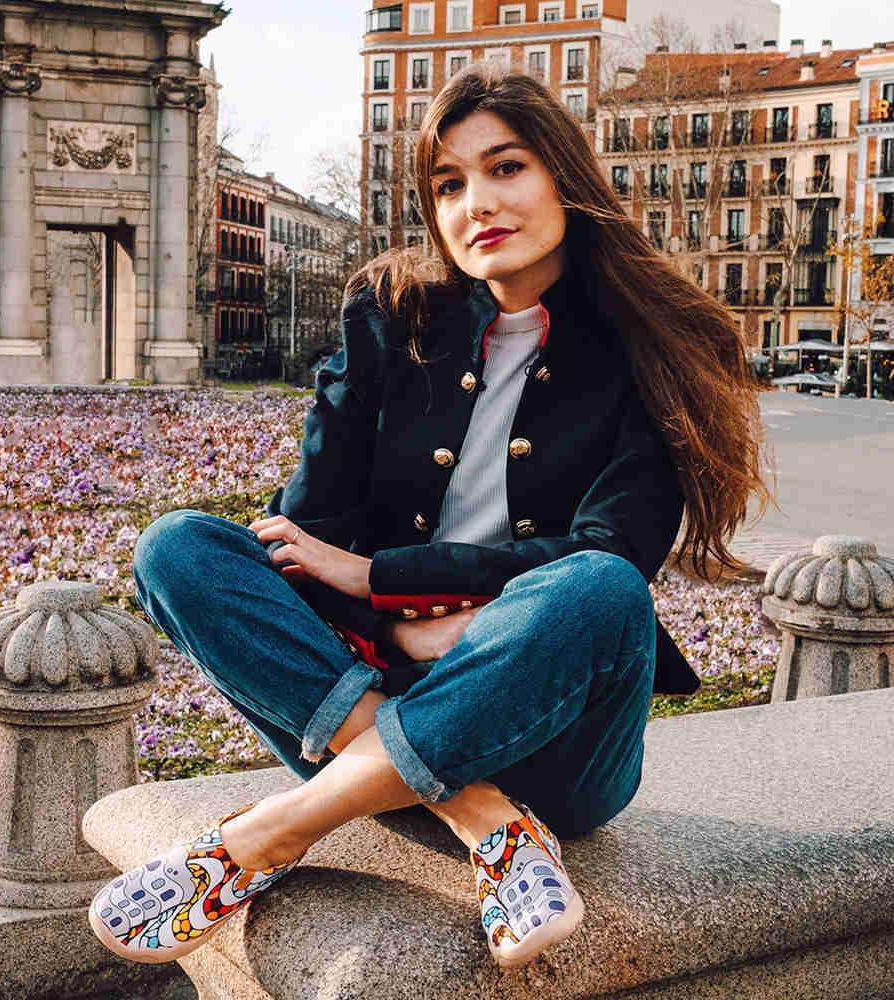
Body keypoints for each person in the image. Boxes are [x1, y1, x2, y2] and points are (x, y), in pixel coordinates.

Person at [88, 64, 774, 970]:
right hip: (376, 687)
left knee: (603, 592)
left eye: (506, 168)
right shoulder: (391, 313)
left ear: (564, 176)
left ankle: (271, 834)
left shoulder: (654, 345)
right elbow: (307, 532)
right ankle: (482, 815)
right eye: (448, 184)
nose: (476, 203)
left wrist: (380, 581)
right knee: (179, 548)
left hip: (558, 739)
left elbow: (609, 551)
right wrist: (405, 630)